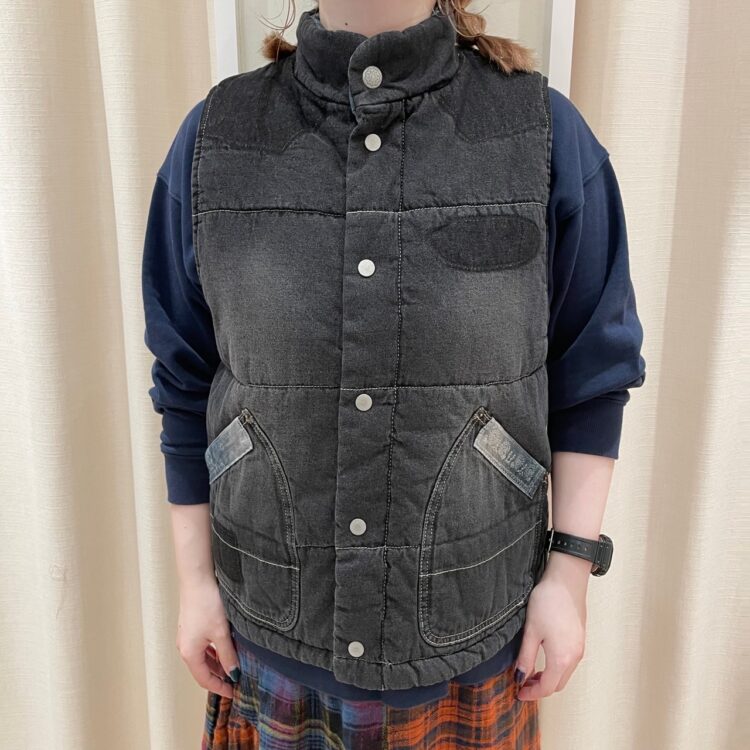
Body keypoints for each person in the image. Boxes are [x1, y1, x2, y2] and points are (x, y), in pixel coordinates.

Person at [141, 1, 646, 747]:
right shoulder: (216, 139)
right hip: (271, 635)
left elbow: (593, 375)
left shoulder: (542, 134)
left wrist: (569, 577)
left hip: (471, 638)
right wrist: (193, 584)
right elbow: (185, 380)